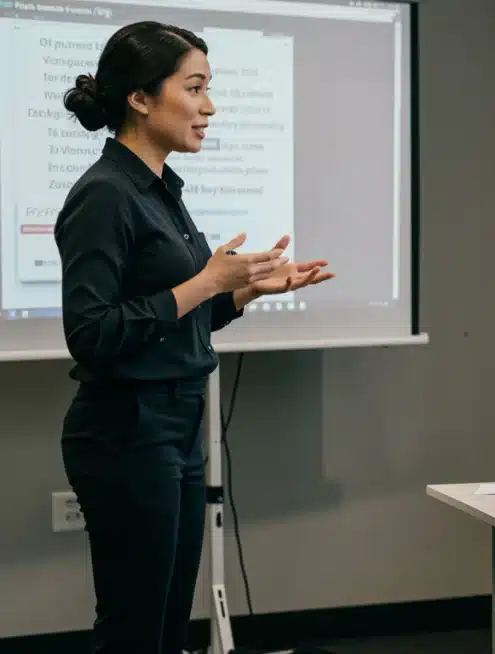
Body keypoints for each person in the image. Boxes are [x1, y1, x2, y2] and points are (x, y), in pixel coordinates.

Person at [56, 22, 333, 653]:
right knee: (134, 630)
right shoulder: (103, 195)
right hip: (126, 429)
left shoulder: (160, 191)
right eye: (196, 87)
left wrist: (244, 292)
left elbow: (178, 320)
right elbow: (92, 334)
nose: (210, 107)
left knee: (166, 627)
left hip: (174, 426)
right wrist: (206, 284)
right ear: (140, 98)